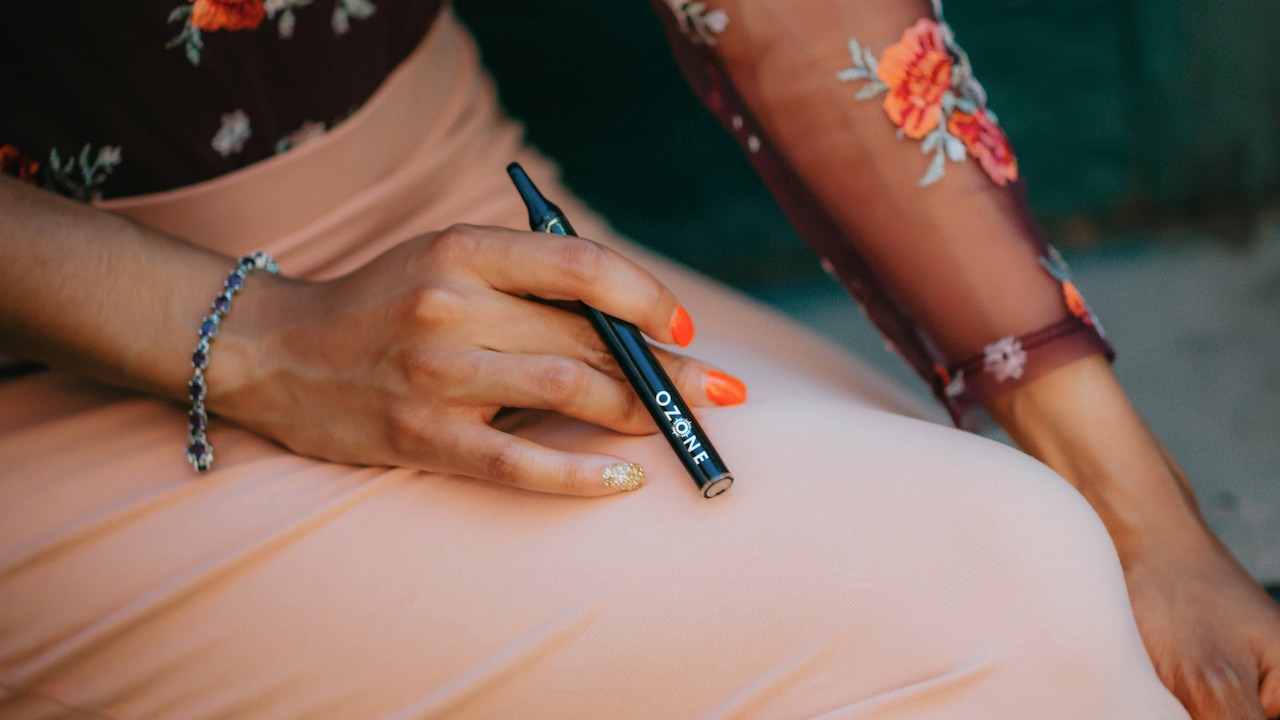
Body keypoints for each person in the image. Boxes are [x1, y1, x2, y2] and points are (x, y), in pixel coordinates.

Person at [0, 0, 1276, 718]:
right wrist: (265, 344)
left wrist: (1146, 523)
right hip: (79, 360)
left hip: (459, 200)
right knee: (1004, 609)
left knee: (1063, 591)